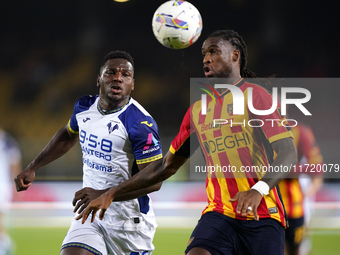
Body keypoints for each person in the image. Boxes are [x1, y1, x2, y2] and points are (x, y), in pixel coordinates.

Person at [77, 30, 298, 255]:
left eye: (213, 51)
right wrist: (109, 193)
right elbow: (165, 167)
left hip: (262, 215)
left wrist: (257, 190)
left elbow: (288, 154)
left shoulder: (257, 97)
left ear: (235, 56)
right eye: (204, 54)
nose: (206, 59)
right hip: (219, 214)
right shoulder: (198, 110)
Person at [14, 50, 163, 255]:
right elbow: (68, 135)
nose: (118, 77)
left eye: (125, 74)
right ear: (99, 79)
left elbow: (155, 180)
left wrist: (105, 194)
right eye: (111, 72)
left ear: (132, 83)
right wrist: (33, 167)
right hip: (90, 215)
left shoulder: (140, 123)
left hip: (129, 223)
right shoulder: (84, 106)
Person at [278, 122, 323, 255]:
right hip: (265, 206)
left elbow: (317, 169)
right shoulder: (252, 130)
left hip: (295, 205)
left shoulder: (299, 131)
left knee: (298, 249)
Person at [0, 128, 22, 255]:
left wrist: (15, 184)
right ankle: (5, 241)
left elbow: (15, 162)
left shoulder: (7, 142)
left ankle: (4, 243)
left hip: (2, 184)